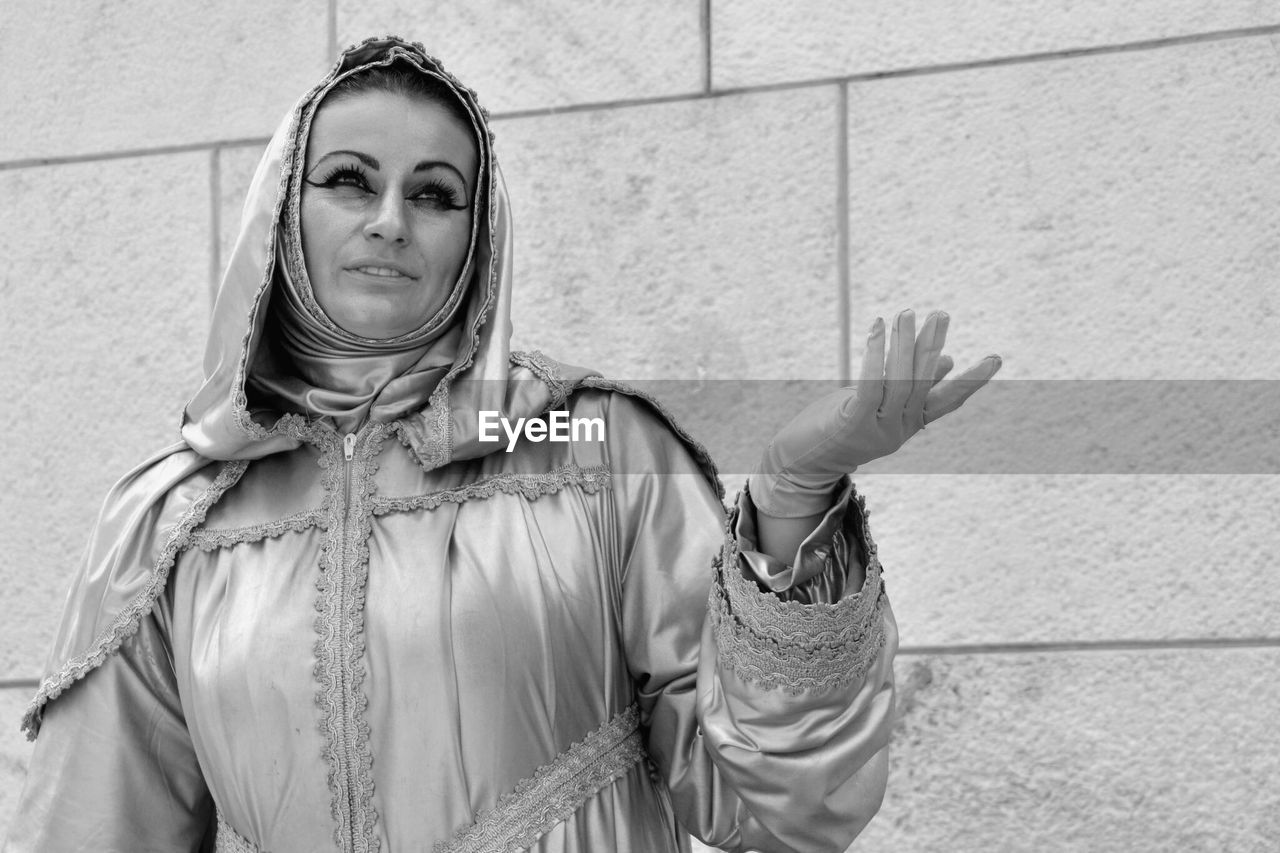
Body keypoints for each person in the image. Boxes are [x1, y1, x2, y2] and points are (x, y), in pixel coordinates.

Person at [4, 37, 999, 853]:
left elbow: (775, 805)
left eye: (436, 194)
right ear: (281, 213)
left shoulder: (588, 443)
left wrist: (791, 496)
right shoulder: (169, 519)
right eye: (350, 181)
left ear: (476, 238)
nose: (390, 222)